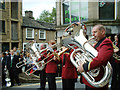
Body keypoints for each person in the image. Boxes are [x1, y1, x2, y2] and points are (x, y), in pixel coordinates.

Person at [77, 24, 114, 90]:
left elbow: (101, 59)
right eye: (92, 32)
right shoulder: (98, 43)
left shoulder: (106, 42)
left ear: (102, 32)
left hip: (97, 81)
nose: (93, 34)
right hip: (92, 81)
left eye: (95, 32)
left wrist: (84, 66)